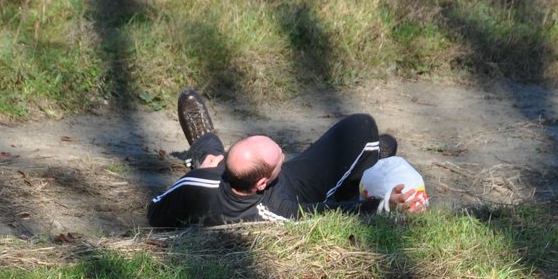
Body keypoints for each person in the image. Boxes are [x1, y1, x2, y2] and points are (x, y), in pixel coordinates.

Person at [146, 89, 427, 230]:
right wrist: (382, 205)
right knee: (363, 128)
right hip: (298, 192)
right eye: (280, 156)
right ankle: (368, 162)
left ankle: (205, 144)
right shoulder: (277, 211)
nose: (282, 151)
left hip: (229, 176)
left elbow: (154, 211)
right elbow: (333, 215)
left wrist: (201, 174)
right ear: (263, 182)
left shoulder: (202, 181)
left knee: (209, 156)